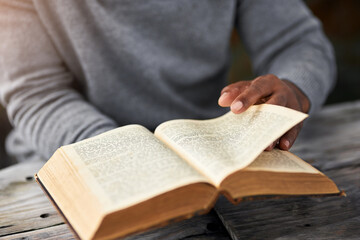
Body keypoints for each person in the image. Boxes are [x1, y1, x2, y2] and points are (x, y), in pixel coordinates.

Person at [0, 0, 335, 162]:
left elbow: (299, 42)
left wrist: (294, 88)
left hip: (204, 152)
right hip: (66, 156)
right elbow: (37, 95)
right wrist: (123, 154)